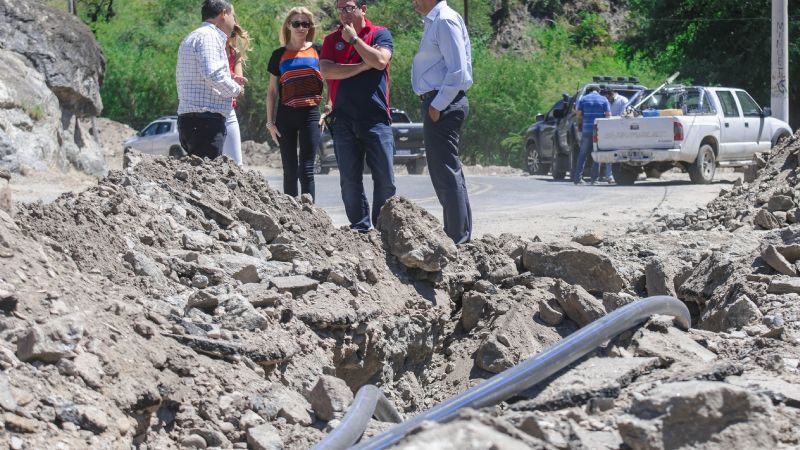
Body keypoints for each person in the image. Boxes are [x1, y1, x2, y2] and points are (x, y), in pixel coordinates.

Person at [320, 0, 396, 232]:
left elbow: (381, 61)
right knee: (350, 181)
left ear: (363, 9)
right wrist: (363, 66)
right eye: (341, 9)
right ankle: (361, 227)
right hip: (343, 119)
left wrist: (354, 40)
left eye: (349, 8)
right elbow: (326, 71)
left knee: (385, 178)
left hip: (375, 119)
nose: (344, 13)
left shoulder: (380, 34)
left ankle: (383, 227)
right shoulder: (331, 40)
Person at [411, 0, 473, 244]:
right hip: (439, 102)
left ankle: (457, 238)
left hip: (443, 103)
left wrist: (437, 106)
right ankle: (460, 236)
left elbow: (457, 71)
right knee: (447, 172)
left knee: (445, 173)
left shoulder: (444, 20)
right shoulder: (436, 21)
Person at [266, 7, 325, 201]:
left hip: (311, 114)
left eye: (305, 24)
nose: (301, 27)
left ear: (310, 27)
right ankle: (291, 219)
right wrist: (270, 122)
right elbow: (273, 91)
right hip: (286, 115)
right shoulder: (279, 55)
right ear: (288, 26)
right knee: (289, 170)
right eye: (296, 23)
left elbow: (333, 82)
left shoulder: (318, 51)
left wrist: (328, 109)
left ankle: (310, 218)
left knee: (307, 169)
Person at [176, 0, 247, 159]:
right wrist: (236, 89)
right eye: (233, 16)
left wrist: (229, 78)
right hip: (205, 124)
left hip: (191, 121)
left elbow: (201, 75)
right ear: (223, 14)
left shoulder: (193, 36)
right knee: (210, 175)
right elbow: (213, 74)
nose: (234, 22)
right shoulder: (209, 37)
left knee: (202, 177)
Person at [222, 22, 251, 166]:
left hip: (228, 110)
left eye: (232, 34)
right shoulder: (211, 51)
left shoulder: (235, 54)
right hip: (208, 109)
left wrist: (236, 82)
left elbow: (241, 90)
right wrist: (232, 79)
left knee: (236, 164)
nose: (228, 37)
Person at [573, 86, 610, 185]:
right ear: (599, 91)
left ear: (589, 91)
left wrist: (580, 126)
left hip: (586, 129)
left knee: (582, 154)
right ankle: (594, 179)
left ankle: (577, 179)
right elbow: (608, 115)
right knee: (596, 154)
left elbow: (578, 115)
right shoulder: (603, 99)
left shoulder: (583, 99)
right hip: (598, 131)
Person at [597, 88, 629, 184]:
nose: (606, 99)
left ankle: (619, 175)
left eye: (607, 97)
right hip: (609, 131)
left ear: (610, 94)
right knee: (609, 153)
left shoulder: (623, 101)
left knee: (619, 154)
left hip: (622, 131)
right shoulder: (606, 101)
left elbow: (625, 115)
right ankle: (609, 176)